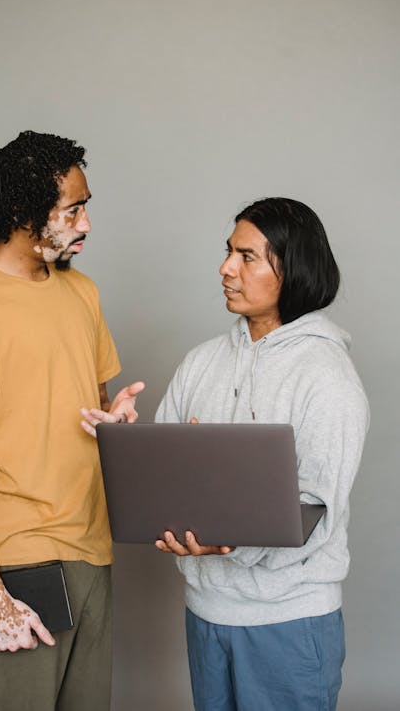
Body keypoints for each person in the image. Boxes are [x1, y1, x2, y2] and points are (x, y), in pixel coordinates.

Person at [82, 197, 369, 711]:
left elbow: (316, 511)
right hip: (206, 615)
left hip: (289, 621)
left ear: (293, 268)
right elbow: (165, 474)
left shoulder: (328, 377)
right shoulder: (201, 362)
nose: (225, 268)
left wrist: (228, 544)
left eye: (247, 256)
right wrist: (123, 438)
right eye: (227, 252)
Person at [0, 130, 144, 711]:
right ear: (26, 213)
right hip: (20, 563)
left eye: (86, 206)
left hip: (93, 552)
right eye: (73, 209)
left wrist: (118, 432)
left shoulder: (83, 293)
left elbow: (89, 414)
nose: (87, 224)